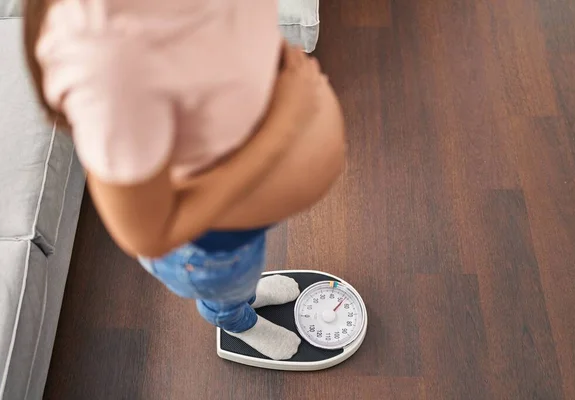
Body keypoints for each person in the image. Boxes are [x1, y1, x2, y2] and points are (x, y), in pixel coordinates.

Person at [24, 0, 345, 360]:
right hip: (206, 247)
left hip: (243, 221)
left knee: (245, 276)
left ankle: (246, 294)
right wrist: (283, 129)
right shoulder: (108, 60)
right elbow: (148, 233)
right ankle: (238, 321)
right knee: (226, 291)